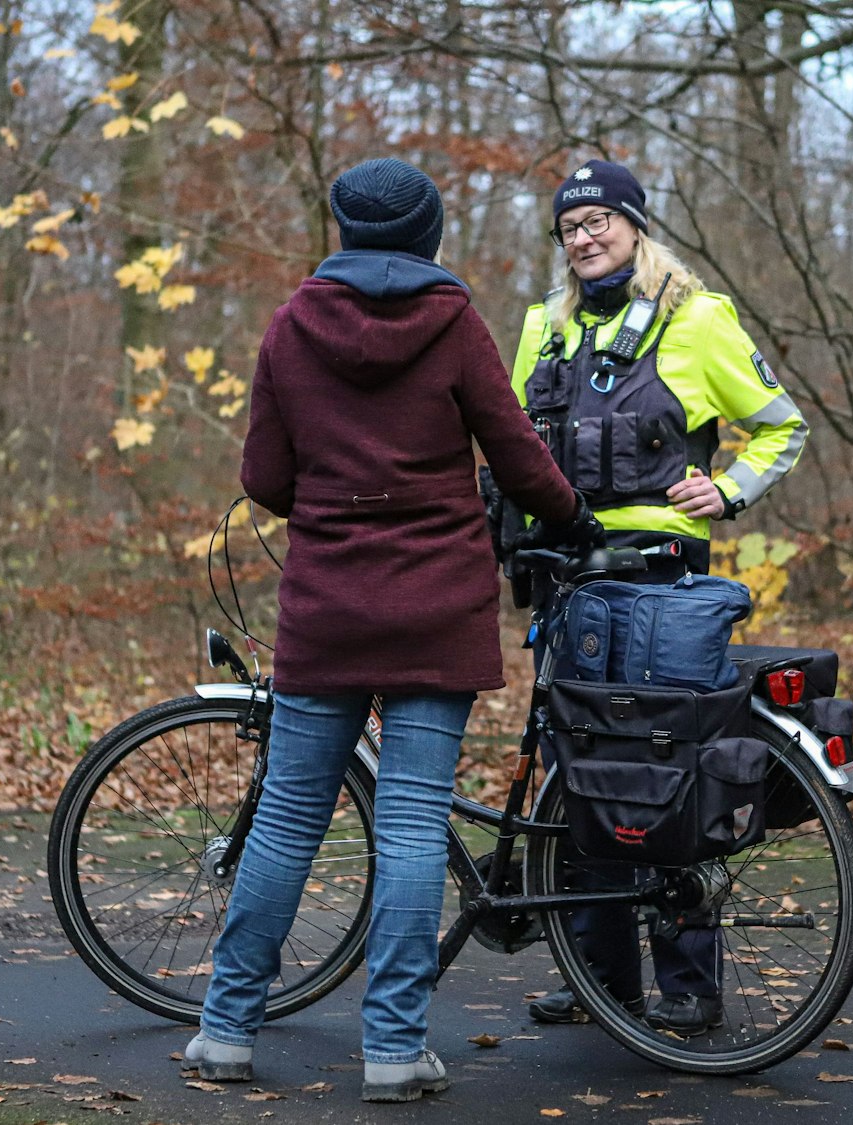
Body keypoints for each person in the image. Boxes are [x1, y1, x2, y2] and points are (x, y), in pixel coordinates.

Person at [186, 157, 591, 1104]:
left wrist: (329, 501)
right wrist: (568, 513)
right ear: (428, 233)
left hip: (327, 604)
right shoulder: (454, 324)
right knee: (411, 821)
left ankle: (223, 1032)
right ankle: (396, 1049)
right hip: (435, 604)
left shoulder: (292, 325)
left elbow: (263, 477)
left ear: (345, 230)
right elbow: (516, 452)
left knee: (287, 819)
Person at [511, 159, 808, 1034]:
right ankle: (597, 975)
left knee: (663, 767)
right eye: (570, 227)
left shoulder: (698, 319)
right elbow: (519, 441)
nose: (584, 236)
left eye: (600, 219)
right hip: (570, 581)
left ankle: (688, 983)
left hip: (661, 579)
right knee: (578, 773)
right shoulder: (544, 328)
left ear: (637, 227)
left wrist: (732, 490)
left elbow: (782, 424)